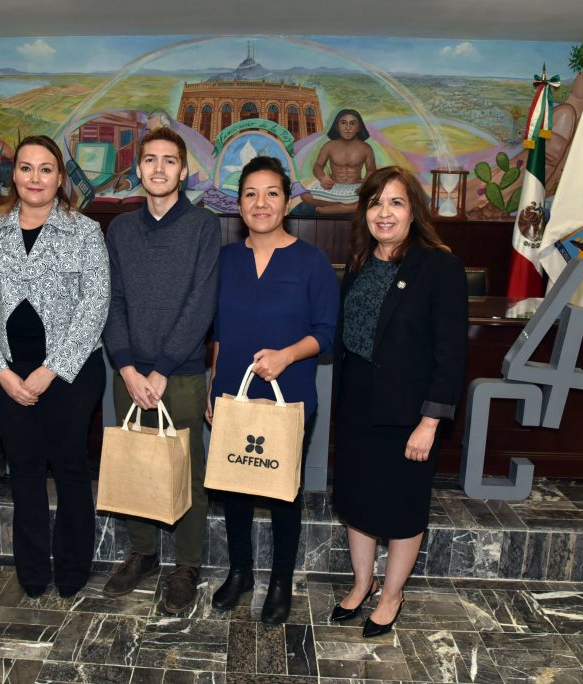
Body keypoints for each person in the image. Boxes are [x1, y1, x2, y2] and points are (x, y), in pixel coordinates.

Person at [0, 135, 109, 598]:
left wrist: (51, 369)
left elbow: (96, 305)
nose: (35, 178)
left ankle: (72, 566)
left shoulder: (85, 231)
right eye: (26, 168)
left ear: (60, 177)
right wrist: (1, 372)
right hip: (7, 373)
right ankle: (31, 568)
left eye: (45, 169)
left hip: (70, 371)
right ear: (14, 175)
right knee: (24, 468)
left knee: (69, 465)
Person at [330, 166, 467, 637]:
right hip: (356, 404)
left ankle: (392, 595)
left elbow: (451, 355)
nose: (384, 213)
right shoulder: (358, 262)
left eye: (395, 202)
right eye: (375, 203)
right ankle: (362, 583)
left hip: (409, 413)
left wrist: (430, 422)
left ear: (414, 212)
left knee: (403, 505)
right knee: (356, 499)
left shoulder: (440, 267)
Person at [206, 156, 338, 624]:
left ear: (287, 202)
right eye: (250, 194)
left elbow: (327, 332)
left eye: (271, 193)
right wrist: (213, 383)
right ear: (238, 204)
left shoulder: (311, 261)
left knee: (284, 493)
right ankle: (240, 572)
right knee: (235, 488)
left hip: (290, 393)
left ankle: (281, 581)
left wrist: (286, 355)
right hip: (233, 390)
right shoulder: (225, 259)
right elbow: (218, 330)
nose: (260, 203)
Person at [102, 126, 220, 614]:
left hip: (182, 373)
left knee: (186, 471)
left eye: (169, 160)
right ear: (138, 169)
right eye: (150, 159)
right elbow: (112, 301)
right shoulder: (120, 230)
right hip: (130, 373)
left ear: (183, 170)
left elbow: (201, 303)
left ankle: (186, 565)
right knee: (136, 465)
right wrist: (127, 367)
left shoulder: (204, 226)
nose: (158, 168)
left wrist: (164, 369)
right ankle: (143, 553)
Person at [302, 109, 376, 214]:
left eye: (352, 123)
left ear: (359, 127)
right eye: (343, 123)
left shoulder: (366, 148)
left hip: (356, 189)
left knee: (375, 197)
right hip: (333, 187)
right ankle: (344, 206)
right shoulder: (329, 146)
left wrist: (365, 185)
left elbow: (371, 171)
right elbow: (318, 165)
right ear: (337, 126)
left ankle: (342, 207)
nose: (348, 128)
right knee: (304, 196)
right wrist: (323, 178)